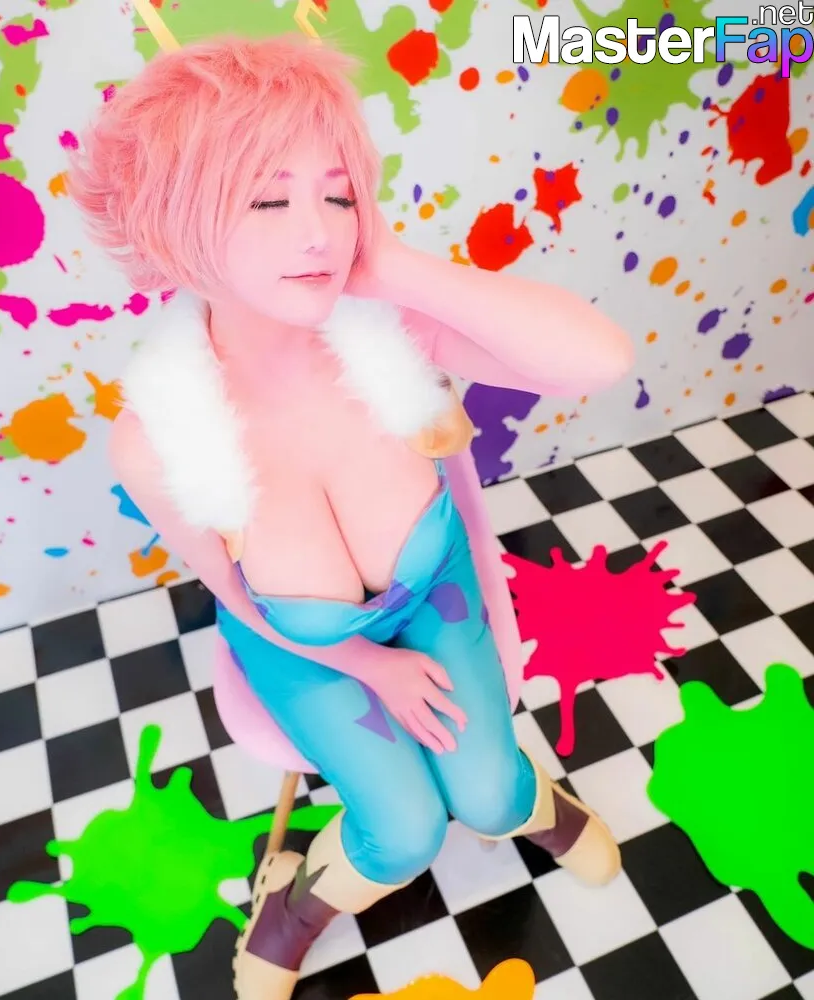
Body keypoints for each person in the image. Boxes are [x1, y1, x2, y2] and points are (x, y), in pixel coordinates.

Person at [68, 33, 635, 1000]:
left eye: (337, 196)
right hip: (306, 641)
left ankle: (527, 802)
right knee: (403, 832)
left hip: (437, 591)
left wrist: (397, 269)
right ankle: (290, 908)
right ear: (176, 220)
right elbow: (233, 599)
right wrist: (369, 664)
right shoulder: (157, 436)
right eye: (268, 199)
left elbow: (600, 360)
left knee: (490, 794)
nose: (319, 235)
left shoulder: (387, 327)